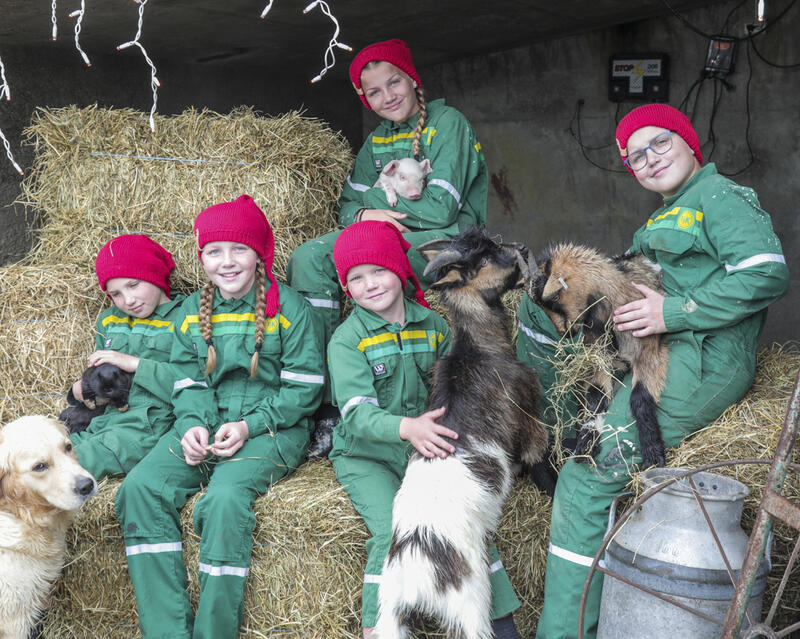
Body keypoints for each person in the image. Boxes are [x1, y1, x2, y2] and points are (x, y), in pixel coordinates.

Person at [518, 103, 790, 639]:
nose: (649, 159)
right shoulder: (658, 220)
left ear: (690, 143)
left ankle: (563, 633)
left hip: (702, 355)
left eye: (660, 143)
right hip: (653, 352)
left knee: (588, 477)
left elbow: (766, 275)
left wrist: (674, 311)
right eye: (635, 156)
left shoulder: (721, 198)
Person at [114, 195, 325, 639]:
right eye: (214, 251)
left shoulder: (291, 309)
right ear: (202, 257)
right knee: (141, 488)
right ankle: (166, 631)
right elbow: (187, 381)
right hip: (204, 422)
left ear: (260, 254)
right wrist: (193, 425)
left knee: (224, 500)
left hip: (271, 429)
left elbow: (304, 390)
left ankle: (213, 632)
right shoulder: (192, 312)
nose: (226, 262)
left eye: (239, 249)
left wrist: (248, 426)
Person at [328, 220, 522, 639]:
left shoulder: (433, 326)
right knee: (393, 530)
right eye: (356, 278)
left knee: (464, 524)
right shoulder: (347, 341)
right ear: (347, 289)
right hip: (369, 456)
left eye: (378, 270)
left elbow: (455, 388)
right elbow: (357, 416)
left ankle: (499, 625)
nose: (370, 284)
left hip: (429, 446)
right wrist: (407, 428)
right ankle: (378, 629)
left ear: (400, 270)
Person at [287, 38, 487, 422]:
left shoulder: (447, 124)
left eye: (394, 83)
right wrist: (363, 218)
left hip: (449, 241)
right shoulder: (376, 140)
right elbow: (346, 206)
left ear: (412, 80)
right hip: (386, 234)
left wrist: (374, 206)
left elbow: (440, 210)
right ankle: (325, 393)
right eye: (374, 92)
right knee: (308, 257)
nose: (387, 97)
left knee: (384, 257)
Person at [67, 234, 185, 481]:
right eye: (116, 294)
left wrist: (134, 365)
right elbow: (101, 378)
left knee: (66, 467)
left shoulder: (185, 317)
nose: (128, 300)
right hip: (103, 421)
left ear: (155, 274)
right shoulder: (110, 321)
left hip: (147, 426)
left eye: (134, 285)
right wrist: (85, 390)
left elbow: (194, 385)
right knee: (42, 451)